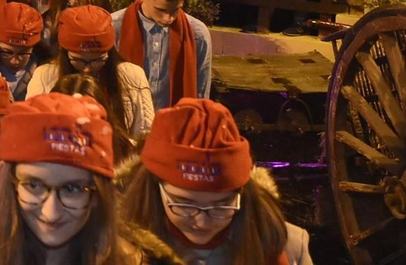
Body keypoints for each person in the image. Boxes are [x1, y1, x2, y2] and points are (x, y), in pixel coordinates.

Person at [0, 94, 138, 265]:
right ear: (9, 184)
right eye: (34, 185)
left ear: (99, 194)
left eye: (72, 189)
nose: (51, 212)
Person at [122, 99, 312, 265]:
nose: (202, 222)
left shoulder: (286, 244)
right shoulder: (113, 245)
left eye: (221, 206)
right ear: (154, 189)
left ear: (242, 194)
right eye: (185, 205)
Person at [26, 5, 154, 139]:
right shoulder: (45, 76)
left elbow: (144, 136)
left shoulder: (132, 75)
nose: (87, 69)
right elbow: (32, 131)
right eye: (79, 60)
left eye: (98, 60)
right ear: (64, 53)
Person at [113, 0, 213, 110]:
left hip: (175, 126)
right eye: (161, 10)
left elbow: (201, 94)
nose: (168, 18)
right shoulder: (114, 27)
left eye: (176, 9)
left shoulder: (197, 33)